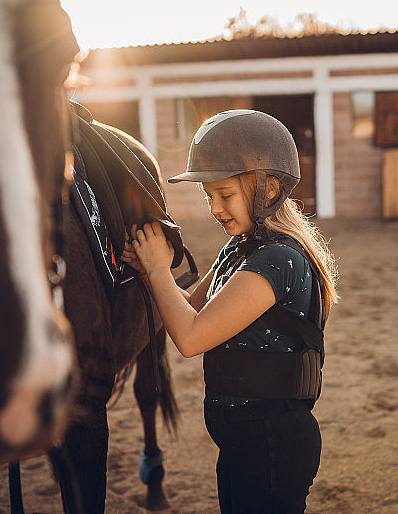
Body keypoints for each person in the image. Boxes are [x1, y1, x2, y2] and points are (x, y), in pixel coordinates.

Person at [122, 109, 338, 513]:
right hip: (242, 441)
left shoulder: (277, 259)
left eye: (225, 195)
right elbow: (187, 309)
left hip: (273, 444)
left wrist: (157, 269)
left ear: (268, 190)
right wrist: (150, 274)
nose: (215, 208)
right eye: (209, 198)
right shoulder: (239, 250)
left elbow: (190, 338)